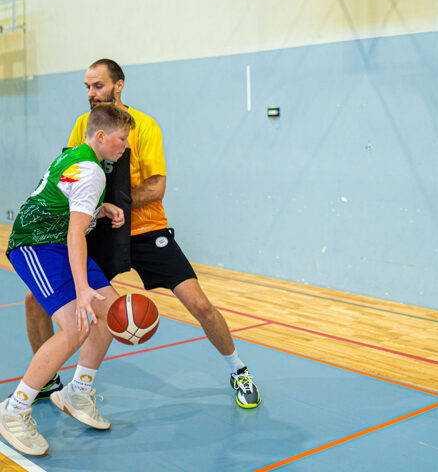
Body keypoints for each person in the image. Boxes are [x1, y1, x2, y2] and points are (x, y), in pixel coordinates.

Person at [24, 58, 261, 410]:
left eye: (98, 86)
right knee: (33, 301)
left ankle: (238, 369)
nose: (91, 93)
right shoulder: (82, 125)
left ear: (119, 86)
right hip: (102, 231)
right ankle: (48, 383)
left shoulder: (145, 127)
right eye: (87, 87)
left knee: (199, 304)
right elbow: (75, 178)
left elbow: (157, 187)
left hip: (147, 229)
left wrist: (115, 202)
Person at [0, 103, 135, 456]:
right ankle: (14, 411)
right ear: (102, 136)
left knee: (111, 311)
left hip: (56, 239)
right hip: (38, 244)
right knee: (78, 326)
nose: (125, 146)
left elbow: (65, 195)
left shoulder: (78, 155)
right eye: (122, 139)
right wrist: (83, 289)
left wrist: (100, 208)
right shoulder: (93, 172)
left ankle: (78, 390)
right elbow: (77, 233)